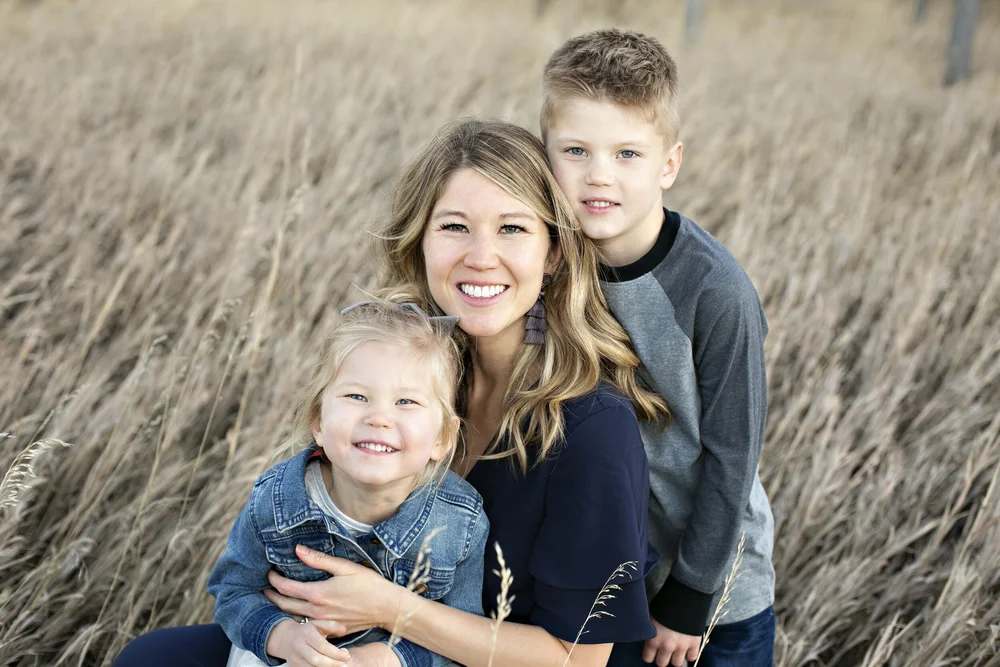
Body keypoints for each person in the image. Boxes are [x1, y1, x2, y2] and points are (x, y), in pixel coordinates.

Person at [113, 118, 669, 667]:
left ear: (551, 253)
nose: (480, 256)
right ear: (419, 242)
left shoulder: (592, 428)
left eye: (512, 229)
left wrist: (390, 609)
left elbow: (576, 660)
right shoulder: (408, 371)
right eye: (454, 226)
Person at [540, 29, 777, 667]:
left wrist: (691, 597)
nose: (598, 175)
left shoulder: (714, 291)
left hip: (713, 597)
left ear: (669, 164)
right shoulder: (550, 265)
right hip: (609, 586)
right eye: (575, 150)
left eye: (627, 154)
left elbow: (734, 456)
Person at [207, 300, 487, 667]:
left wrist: (390, 658)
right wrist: (284, 637)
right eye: (357, 396)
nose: (379, 418)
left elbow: (463, 633)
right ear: (318, 421)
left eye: (406, 402)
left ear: (442, 439)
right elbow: (233, 591)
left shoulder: (459, 522)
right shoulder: (277, 501)